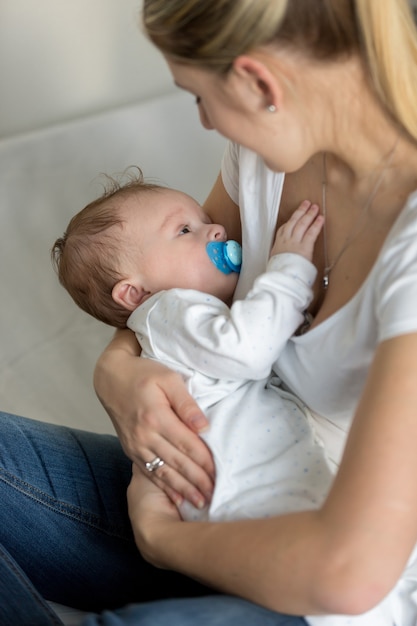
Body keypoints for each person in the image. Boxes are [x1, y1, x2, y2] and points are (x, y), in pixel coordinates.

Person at [2, 0, 417, 625]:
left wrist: (161, 539)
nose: (203, 121)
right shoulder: (262, 155)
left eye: (197, 96)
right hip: (205, 491)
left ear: (258, 83)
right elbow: (158, 288)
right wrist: (117, 378)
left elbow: (348, 576)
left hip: (319, 570)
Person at [52, 170, 333, 527]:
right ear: (136, 294)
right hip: (247, 495)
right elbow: (248, 350)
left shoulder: (172, 322)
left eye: (205, 221)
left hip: (248, 492)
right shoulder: (171, 310)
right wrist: (289, 269)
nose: (216, 230)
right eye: (184, 230)